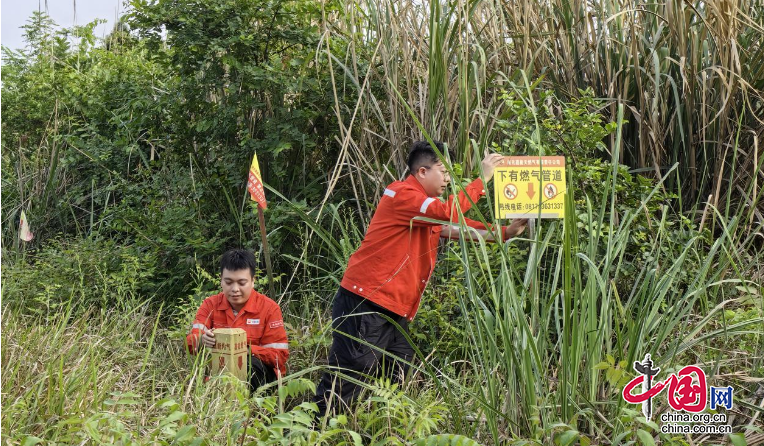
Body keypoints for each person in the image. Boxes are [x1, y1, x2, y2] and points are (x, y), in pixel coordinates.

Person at [313, 140, 528, 417]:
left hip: (395, 309)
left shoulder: (426, 212)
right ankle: (313, 432)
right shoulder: (400, 194)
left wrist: (506, 232)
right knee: (348, 378)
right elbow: (449, 212)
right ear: (423, 172)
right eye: (444, 172)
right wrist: (482, 179)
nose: (448, 179)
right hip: (365, 301)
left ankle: (381, 434)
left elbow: (463, 228)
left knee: (396, 380)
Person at [186, 249, 289, 389]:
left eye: (242, 283)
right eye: (228, 282)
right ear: (221, 280)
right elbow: (190, 344)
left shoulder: (269, 308)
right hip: (217, 374)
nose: (235, 289)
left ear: (253, 281)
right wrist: (202, 340)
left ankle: (251, 407)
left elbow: (279, 357)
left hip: (260, 379)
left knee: (246, 363)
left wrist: (245, 350)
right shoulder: (210, 305)